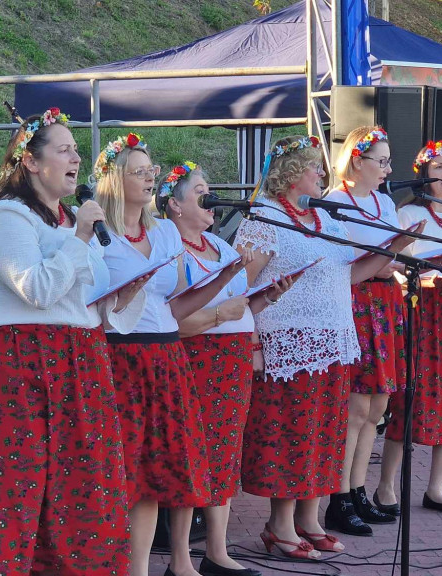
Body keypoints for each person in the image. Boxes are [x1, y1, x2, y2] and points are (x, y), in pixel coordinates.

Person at [0, 108, 146, 575]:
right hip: (21, 355)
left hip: (80, 353)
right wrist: (81, 236)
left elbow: (80, 298)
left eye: (76, 149)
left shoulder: (68, 220)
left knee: (88, 473)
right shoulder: (6, 219)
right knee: (20, 477)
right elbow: (36, 289)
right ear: (30, 161)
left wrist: (119, 297)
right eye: (64, 149)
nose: (76, 158)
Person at [235, 135, 413, 559]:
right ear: (292, 172)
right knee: (290, 434)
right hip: (286, 342)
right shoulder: (264, 218)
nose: (323, 174)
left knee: (323, 435)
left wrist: (393, 248)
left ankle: (309, 519)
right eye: (315, 167)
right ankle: (279, 526)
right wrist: (255, 342)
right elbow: (238, 287)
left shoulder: (327, 220)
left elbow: (349, 276)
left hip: (333, 342)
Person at [93, 133, 244, 576]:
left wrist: (220, 282)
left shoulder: (162, 233)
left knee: (152, 476)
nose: (148, 177)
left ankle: (139, 569)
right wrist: (122, 295)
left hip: (163, 357)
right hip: (118, 356)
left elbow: (175, 307)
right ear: (114, 179)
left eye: (150, 171)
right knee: (119, 471)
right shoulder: (95, 232)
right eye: (138, 171)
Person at [158, 162, 293, 576]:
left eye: (210, 188)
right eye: (200, 191)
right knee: (189, 457)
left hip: (231, 363)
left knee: (224, 454)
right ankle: (180, 560)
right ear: (175, 205)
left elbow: (241, 306)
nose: (210, 198)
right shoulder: (170, 250)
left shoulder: (223, 246)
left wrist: (266, 297)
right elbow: (174, 320)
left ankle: (217, 551)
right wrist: (219, 315)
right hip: (196, 360)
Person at [321, 126, 424, 536]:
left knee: (378, 407)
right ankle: (338, 496)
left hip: (386, 302)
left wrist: (400, 259)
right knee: (355, 408)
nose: (387, 168)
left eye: (387, 161)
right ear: (357, 162)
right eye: (380, 161)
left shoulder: (384, 202)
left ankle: (359, 488)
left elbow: (390, 254)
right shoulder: (332, 203)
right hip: (354, 303)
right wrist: (384, 260)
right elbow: (334, 263)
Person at [374, 140, 442, 518]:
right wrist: (420, 281)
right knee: (410, 400)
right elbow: (391, 267)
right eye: (439, 168)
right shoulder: (407, 215)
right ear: (423, 174)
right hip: (420, 311)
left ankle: (436, 488)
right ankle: (386, 486)